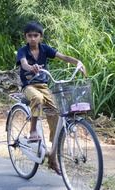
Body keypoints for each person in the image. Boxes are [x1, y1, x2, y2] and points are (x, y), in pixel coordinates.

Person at [16, 21, 86, 175]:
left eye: (36, 35)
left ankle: (53, 157)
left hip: (44, 86)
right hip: (29, 86)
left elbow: (63, 57)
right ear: (26, 37)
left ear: (40, 37)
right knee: (37, 99)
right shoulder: (22, 51)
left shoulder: (45, 49)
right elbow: (24, 64)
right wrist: (31, 67)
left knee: (56, 114)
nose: (33, 38)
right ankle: (33, 130)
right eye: (30, 36)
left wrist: (77, 62)